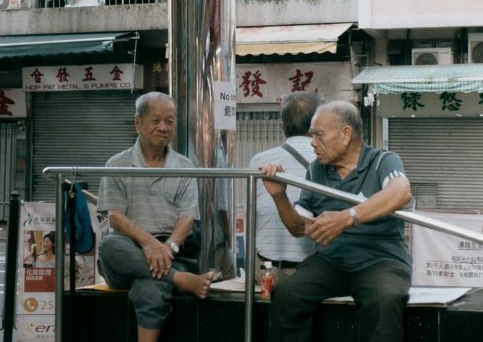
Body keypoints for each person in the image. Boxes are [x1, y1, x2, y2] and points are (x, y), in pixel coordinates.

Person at [260, 101, 413, 342]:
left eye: (318, 135)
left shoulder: (382, 161)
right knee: (287, 294)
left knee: (384, 300)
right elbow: (300, 228)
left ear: (345, 134)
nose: (312, 143)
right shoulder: (316, 170)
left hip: (380, 260)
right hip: (331, 261)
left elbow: (400, 192)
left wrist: (347, 218)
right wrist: (280, 196)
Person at [97, 92, 218, 342]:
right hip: (128, 251)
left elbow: (187, 217)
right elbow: (115, 218)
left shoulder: (185, 166)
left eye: (170, 121)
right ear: (137, 123)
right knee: (110, 244)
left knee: (150, 286)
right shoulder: (116, 164)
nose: (164, 127)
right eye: (156, 120)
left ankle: (173, 275)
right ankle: (180, 279)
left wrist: (168, 247)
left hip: (171, 251)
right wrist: (148, 243)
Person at [248, 91, 323, 284]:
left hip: (266, 271)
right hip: (313, 272)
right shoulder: (326, 160)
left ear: (282, 126)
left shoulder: (258, 161)